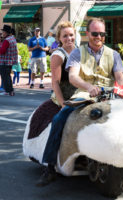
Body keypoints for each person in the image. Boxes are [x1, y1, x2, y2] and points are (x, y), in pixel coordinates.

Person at [39, 18, 123, 186]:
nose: (98, 37)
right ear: (88, 34)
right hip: (84, 95)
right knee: (59, 119)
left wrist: (121, 87)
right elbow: (72, 76)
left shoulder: (113, 54)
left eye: (102, 34)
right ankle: (49, 167)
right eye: (94, 33)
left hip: (110, 96)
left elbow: (120, 76)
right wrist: (88, 86)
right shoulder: (78, 53)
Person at [36, 21, 77, 186]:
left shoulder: (81, 52)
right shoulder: (58, 55)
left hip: (82, 96)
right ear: (59, 39)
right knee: (59, 121)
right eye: (65, 35)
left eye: (71, 35)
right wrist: (63, 104)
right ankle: (50, 168)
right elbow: (55, 83)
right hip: (65, 98)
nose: (69, 38)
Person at [0, 25, 18, 96]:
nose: (2, 33)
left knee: (5, 77)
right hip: (10, 61)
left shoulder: (7, 40)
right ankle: (11, 91)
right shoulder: (13, 38)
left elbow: (2, 51)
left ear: (6, 32)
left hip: (4, 61)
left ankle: (7, 91)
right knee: (8, 76)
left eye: (3, 32)